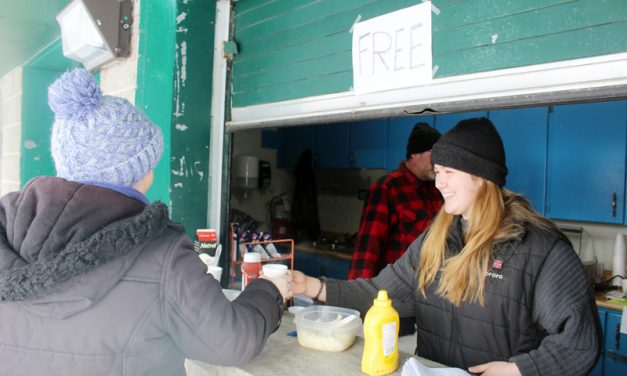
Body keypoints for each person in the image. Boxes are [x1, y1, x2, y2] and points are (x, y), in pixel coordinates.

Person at [0, 68, 290, 375]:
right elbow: (233, 342)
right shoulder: (161, 254)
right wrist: (268, 290)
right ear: (138, 170)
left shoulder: (10, 232)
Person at [293, 117, 602, 376]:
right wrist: (313, 286)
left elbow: (580, 341)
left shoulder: (540, 249)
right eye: (438, 171)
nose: (439, 183)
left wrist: (521, 370)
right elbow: (382, 293)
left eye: (449, 172)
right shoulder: (435, 239)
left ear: (481, 177)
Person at [348, 122, 442, 280]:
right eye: (434, 153)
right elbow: (368, 246)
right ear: (415, 154)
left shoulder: (437, 189)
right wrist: (358, 295)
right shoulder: (387, 188)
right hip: (395, 289)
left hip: (428, 287)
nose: (438, 160)